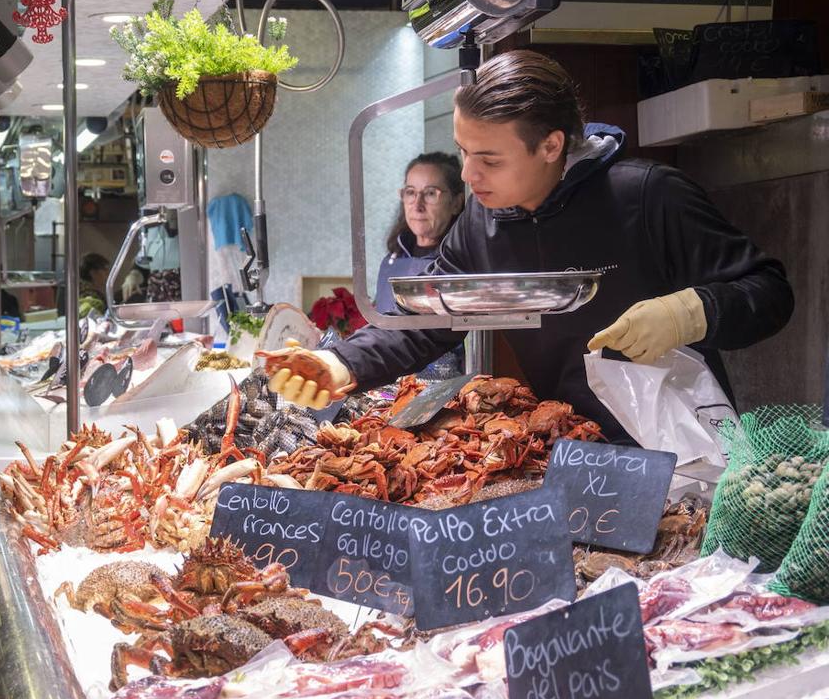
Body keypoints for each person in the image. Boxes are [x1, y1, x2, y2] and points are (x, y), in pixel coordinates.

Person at [263, 50, 793, 443]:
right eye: (464, 152)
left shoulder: (650, 194)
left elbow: (770, 292)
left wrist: (692, 311)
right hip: (571, 447)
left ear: (551, 145)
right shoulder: (480, 221)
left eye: (490, 160)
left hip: (683, 447)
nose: (469, 175)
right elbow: (431, 318)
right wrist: (341, 365)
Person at [375, 152, 465, 315]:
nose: (417, 205)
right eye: (410, 192)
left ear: (456, 203)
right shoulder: (390, 261)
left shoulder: (461, 264)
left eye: (430, 193)